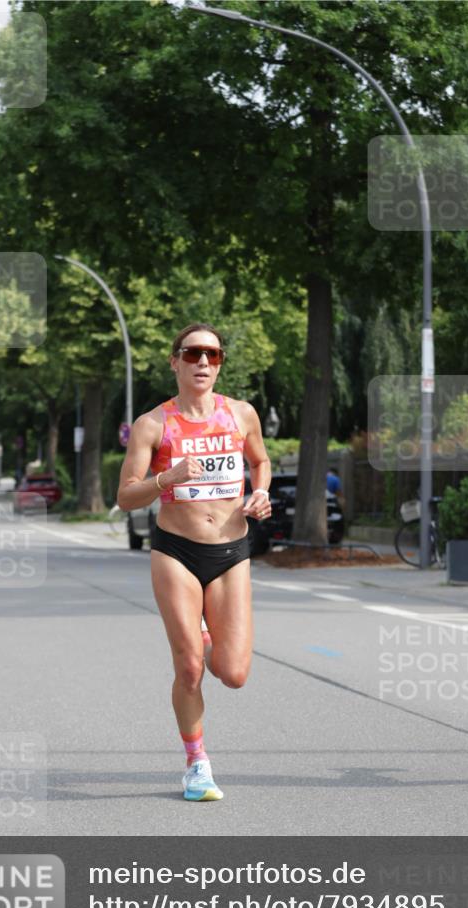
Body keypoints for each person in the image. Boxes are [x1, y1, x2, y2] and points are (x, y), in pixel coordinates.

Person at [117, 323, 271, 799]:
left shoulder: (242, 414)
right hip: (176, 551)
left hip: (230, 552)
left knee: (234, 673)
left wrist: (261, 492)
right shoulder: (153, 424)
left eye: (213, 355)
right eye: (193, 354)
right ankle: (197, 763)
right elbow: (125, 497)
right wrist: (167, 479)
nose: (204, 363)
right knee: (189, 669)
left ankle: (206, 635)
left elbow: (260, 461)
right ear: (175, 362)